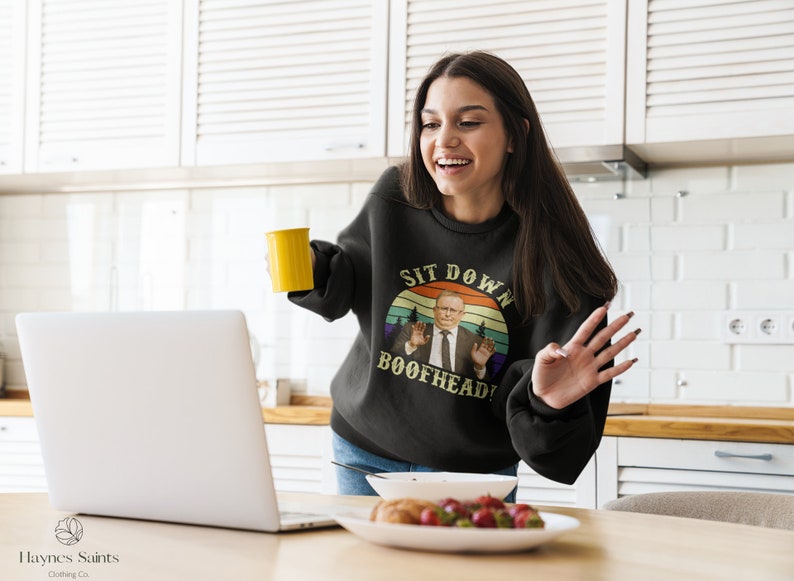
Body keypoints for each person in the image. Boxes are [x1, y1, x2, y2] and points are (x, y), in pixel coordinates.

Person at [281, 51, 640, 499]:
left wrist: (549, 402)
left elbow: (558, 447)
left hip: (474, 477)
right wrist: (307, 267)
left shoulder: (558, 259)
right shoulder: (396, 196)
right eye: (431, 124)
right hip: (361, 453)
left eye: (468, 122)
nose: (444, 140)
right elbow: (345, 284)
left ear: (515, 134)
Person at [392, 289, 496, 379]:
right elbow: (389, 361)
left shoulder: (475, 342)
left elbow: (487, 386)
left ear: (462, 315)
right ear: (434, 310)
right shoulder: (412, 330)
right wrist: (411, 345)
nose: (447, 314)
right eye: (443, 308)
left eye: (453, 310)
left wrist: (479, 367)